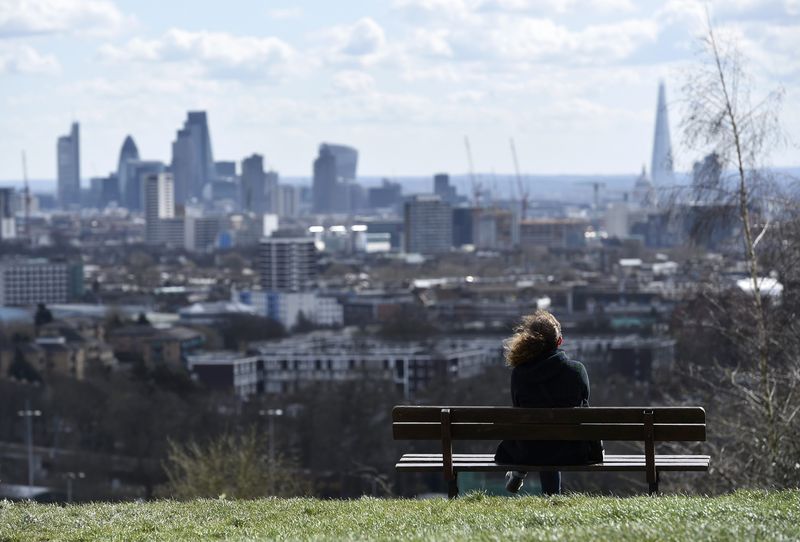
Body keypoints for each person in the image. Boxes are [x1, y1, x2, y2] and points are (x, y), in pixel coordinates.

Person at [494, 309, 603, 495]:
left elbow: (518, 408)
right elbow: (584, 405)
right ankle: (552, 496)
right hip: (572, 451)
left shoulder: (519, 373)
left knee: (539, 436)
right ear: (559, 341)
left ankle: (519, 472)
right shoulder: (576, 371)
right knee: (555, 438)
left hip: (528, 450)